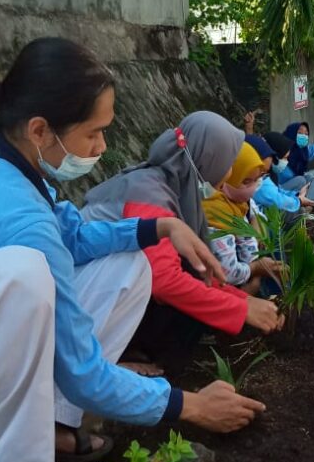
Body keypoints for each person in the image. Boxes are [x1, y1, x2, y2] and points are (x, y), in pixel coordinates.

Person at [0, 38, 265, 462]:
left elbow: (75, 236)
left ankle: (48, 430)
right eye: (93, 133)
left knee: (130, 264)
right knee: (21, 274)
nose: (102, 148)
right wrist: (189, 405)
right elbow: (84, 373)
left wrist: (158, 228)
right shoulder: (20, 222)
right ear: (40, 130)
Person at [83, 113, 281, 348]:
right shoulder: (150, 194)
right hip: (83, 299)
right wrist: (241, 308)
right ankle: (117, 354)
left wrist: (244, 300)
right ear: (209, 159)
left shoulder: (172, 190)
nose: (229, 173)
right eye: (228, 162)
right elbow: (165, 280)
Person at [202, 142, 285, 294]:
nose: (254, 187)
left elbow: (254, 214)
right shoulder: (217, 212)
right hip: (230, 287)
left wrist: (256, 227)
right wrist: (257, 269)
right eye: (246, 181)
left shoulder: (236, 201)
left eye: (258, 178)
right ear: (226, 176)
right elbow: (228, 273)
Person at [247, 133, 314, 215]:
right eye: (285, 158)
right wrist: (299, 201)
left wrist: (297, 195)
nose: (286, 161)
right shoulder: (259, 181)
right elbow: (277, 199)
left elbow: (277, 190)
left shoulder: (266, 173)